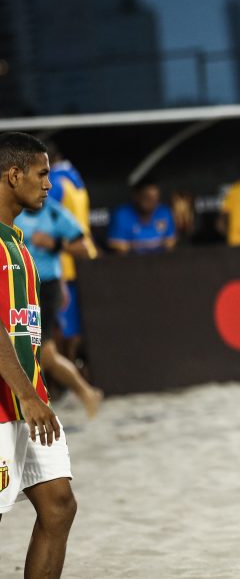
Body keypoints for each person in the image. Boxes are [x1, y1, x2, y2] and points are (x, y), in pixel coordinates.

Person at [0, 132, 76, 578]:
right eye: (42, 173)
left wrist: (32, 395)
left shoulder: (19, 243)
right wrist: (27, 395)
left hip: (28, 402)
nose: (49, 184)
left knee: (59, 506)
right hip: (9, 403)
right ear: (13, 175)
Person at [15, 200, 104, 418]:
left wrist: (54, 245)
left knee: (41, 352)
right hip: (19, 286)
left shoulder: (55, 213)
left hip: (44, 288)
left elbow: (85, 248)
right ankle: (85, 393)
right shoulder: (10, 208)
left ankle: (80, 393)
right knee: (40, 353)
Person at [46, 144, 97, 365]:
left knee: (61, 325)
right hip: (84, 255)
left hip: (62, 262)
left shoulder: (55, 182)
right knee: (74, 322)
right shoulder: (76, 177)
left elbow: (45, 220)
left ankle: (66, 377)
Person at [107, 178, 176, 254]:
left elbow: (170, 242)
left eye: (155, 198)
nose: (152, 202)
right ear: (136, 196)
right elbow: (117, 246)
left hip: (160, 262)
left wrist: (134, 245)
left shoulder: (164, 211)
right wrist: (153, 244)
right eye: (147, 197)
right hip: (130, 262)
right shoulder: (122, 214)